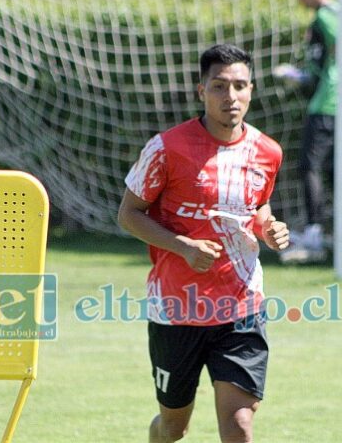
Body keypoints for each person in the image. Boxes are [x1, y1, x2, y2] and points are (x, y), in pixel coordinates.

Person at [117, 44, 289, 443]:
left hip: (241, 306)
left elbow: (257, 208)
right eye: (219, 86)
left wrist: (270, 228)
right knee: (173, 427)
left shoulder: (268, 152)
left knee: (240, 424)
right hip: (175, 309)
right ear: (202, 91)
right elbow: (128, 214)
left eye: (240, 86)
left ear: (252, 90)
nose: (230, 97)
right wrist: (183, 247)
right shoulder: (166, 148)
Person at [275, 0, 338, 263]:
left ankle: (314, 233)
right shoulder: (323, 19)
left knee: (308, 166)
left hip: (328, 105)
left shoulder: (328, 17)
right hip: (330, 103)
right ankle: (330, 233)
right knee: (330, 171)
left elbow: (339, 58)